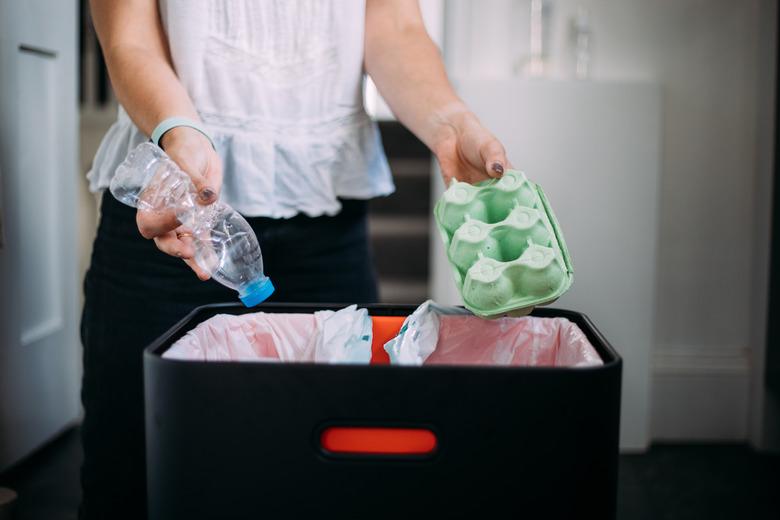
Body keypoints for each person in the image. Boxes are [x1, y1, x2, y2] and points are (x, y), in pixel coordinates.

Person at [81, 0, 510, 518]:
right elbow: (129, 39)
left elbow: (395, 27)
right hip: (178, 216)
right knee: (136, 478)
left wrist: (449, 120)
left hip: (325, 214)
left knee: (329, 482)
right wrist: (181, 132)